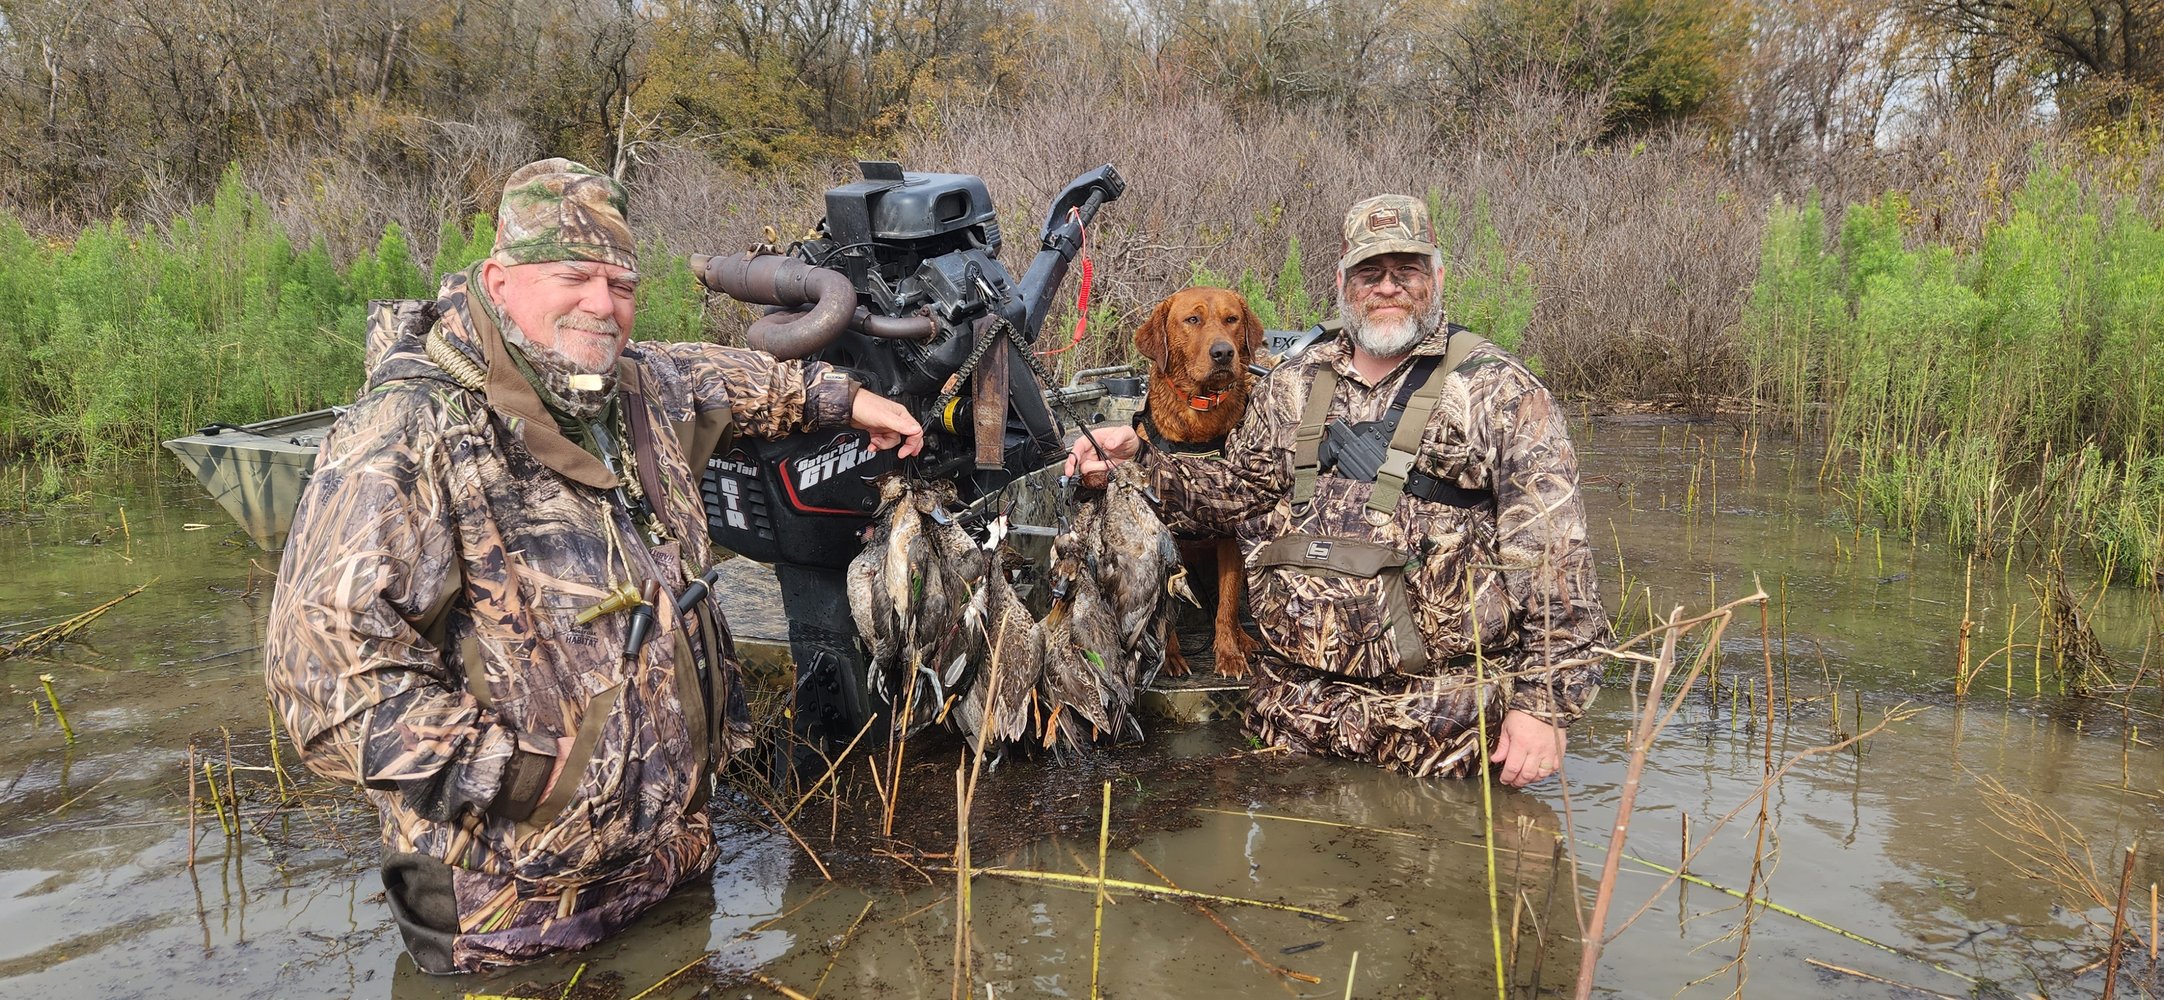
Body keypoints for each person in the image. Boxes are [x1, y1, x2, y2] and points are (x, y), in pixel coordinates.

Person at [265, 158, 923, 974]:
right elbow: (324, 684)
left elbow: (728, 376)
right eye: (573, 276)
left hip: (672, 866)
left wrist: (842, 399)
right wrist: (544, 780)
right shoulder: (406, 435)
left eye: (621, 284)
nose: (601, 305)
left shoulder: (633, 386)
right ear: (500, 280)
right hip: (511, 922)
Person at [1066, 194, 1608, 786]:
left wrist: (1542, 707)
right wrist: (1136, 461)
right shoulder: (1296, 383)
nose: (1387, 288)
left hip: (1440, 728)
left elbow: (1557, 564)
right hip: (1292, 718)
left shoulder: (1501, 392)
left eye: (1407, 271)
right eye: (1370, 272)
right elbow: (1237, 493)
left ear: (1438, 277)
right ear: (1343, 280)